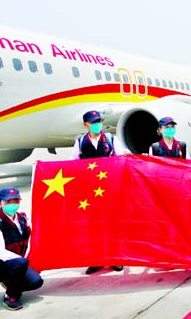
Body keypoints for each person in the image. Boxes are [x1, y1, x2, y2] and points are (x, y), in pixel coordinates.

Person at [72, 110, 125, 274]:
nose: (97, 124)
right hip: (90, 191)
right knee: (93, 225)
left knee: (112, 223)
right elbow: (72, 163)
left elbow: (121, 159)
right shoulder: (80, 142)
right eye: (93, 122)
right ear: (86, 124)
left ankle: (116, 258)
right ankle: (97, 259)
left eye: (99, 121)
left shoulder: (111, 139)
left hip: (110, 188)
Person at [0, 187, 43, 310]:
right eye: (8, 201)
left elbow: (33, 238)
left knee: (36, 282)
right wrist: (23, 261)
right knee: (20, 263)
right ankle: (10, 296)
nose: (12, 204)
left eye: (15, 201)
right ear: (0, 203)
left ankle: (11, 282)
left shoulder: (23, 218)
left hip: (18, 263)